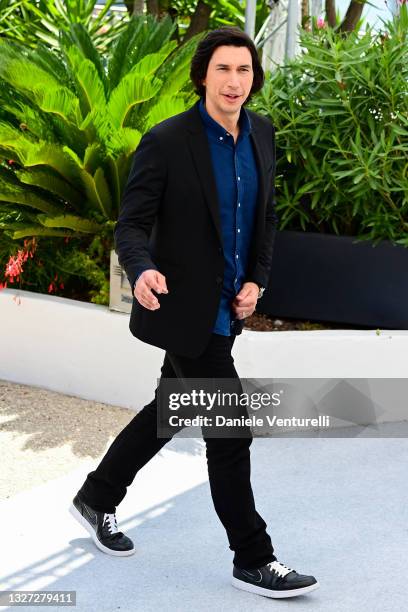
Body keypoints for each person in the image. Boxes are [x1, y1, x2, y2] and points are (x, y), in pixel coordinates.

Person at [69, 26, 320, 599]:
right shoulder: (167, 141)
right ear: (203, 75)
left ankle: (96, 496)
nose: (236, 81)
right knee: (229, 430)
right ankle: (254, 557)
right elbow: (131, 224)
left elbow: (266, 217)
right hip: (184, 311)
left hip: (227, 308)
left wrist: (257, 278)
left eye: (245, 70)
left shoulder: (261, 133)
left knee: (170, 409)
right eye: (225, 69)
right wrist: (142, 269)